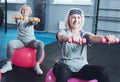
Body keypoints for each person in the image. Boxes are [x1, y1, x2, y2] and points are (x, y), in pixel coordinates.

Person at [53, 8, 118, 82]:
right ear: (68, 19)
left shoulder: (84, 34)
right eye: (73, 17)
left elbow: (94, 37)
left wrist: (105, 38)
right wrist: (70, 38)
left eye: (78, 17)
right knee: (63, 72)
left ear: (81, 20)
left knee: (103, 71)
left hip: (81, 67)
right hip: (64, 66)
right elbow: (61, 36)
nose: (76, 20)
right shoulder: (63, 32)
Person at [0, 4, 44, 75]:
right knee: (10, 44)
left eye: (26, 10)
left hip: (31, 41)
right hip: (21, 41)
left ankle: (37, 65)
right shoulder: (19, 20)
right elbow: (17, 20)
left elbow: (34, 22)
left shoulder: (31, 20)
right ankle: (8, 65)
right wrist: (17, 18)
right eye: (23, 9)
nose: (24, 11)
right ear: (21, 11)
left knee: (41, 44)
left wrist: (35, 20)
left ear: (29, 12)